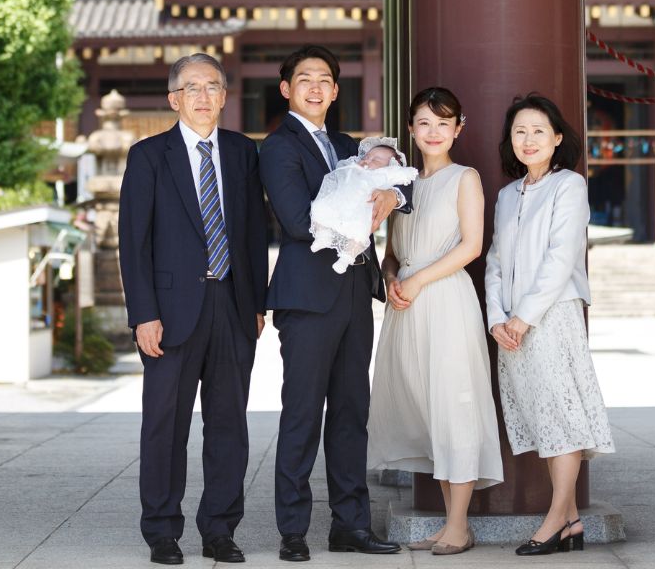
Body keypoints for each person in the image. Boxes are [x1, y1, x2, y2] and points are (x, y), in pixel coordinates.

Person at [118, 53, 270, 566]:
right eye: (192, 88)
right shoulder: (148, 156)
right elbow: (132, 243)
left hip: (231, 303)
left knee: (229, 423)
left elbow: (253, 232)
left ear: (225, 96)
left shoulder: (243, 153)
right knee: (165, 425)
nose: (203, 97)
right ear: (174, 99)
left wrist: (255, 302)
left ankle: (220, 529)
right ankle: (162, 530)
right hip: (169, 311)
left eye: (213, 87)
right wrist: (143, 313)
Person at [261, 45, 410, 561]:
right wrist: (363, 205)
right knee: (302, 414)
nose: (316, 87)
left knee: (351, 414)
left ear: (336, 90)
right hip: (306, 300)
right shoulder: (278, 147)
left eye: (325, 79)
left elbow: (398, 181)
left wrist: (392, 197)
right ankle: (293, 531)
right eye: (305, 79)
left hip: (353, 294)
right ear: (287, 89)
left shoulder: (348, 144)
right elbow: (300, 221)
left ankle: (351, 525)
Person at [368, 87, 503, 557]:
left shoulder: (465, 178)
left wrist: (419, 279)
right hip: (406, 302)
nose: (433, 132)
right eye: (424, 123)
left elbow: (471, 246)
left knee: (454, 405)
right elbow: (390, 251)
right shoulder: (400, 185)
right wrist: (390, 279)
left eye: (443, 124)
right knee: (426, 407)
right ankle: (451, 523)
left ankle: (459, 525)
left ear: (457, 129)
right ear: (410, 128)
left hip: (445, 298)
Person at [484, 93, 615, 557]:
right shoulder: (505, 194)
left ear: (558, 138)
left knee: (560, 414)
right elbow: (496, 259)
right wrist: (498, 318)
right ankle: (573, 521)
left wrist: (523, 318)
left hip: (551, 316)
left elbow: (562, 258)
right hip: (512, 325)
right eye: (520, 131)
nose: (529, 139)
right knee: (541, 415)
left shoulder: (569, 186)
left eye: (539, 130)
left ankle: (557, 518)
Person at [310, 137, 418, 273]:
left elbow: (406, 177)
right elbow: (341, 174)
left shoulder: (386, 174)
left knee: (359, 233)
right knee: (320, 207)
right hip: (340, 204)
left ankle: (345, 259)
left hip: (361, 211)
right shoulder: (354, 168)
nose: (367, 161)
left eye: (376, 160)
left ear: (390, 165)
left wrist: (394, 192)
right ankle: (322, 236)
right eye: (366, 157)